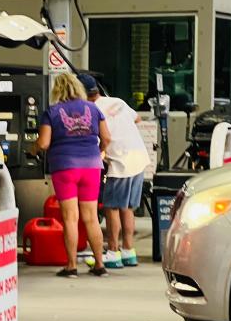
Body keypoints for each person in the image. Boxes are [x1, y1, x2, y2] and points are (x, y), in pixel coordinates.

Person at [34, 73, 111, 278]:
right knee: (91, 217)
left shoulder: (52, 112)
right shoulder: (93, 109)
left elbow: (43, 143)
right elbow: (106, 138)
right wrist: (98, 151)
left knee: (70, 218)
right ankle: (99, 265)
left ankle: (71, 266)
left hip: (64, 167)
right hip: (92, 167)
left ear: (57, 90)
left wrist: (32, 150)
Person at [79, 74, 149, 269]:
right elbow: (138, 118)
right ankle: (128, 251)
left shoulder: (90, 110)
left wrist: (100, 151)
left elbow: (104, 138)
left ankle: (112, 252)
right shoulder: (117, 101)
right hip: (139, 158)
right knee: (127, 207)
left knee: (111, 208)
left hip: (121, 161)